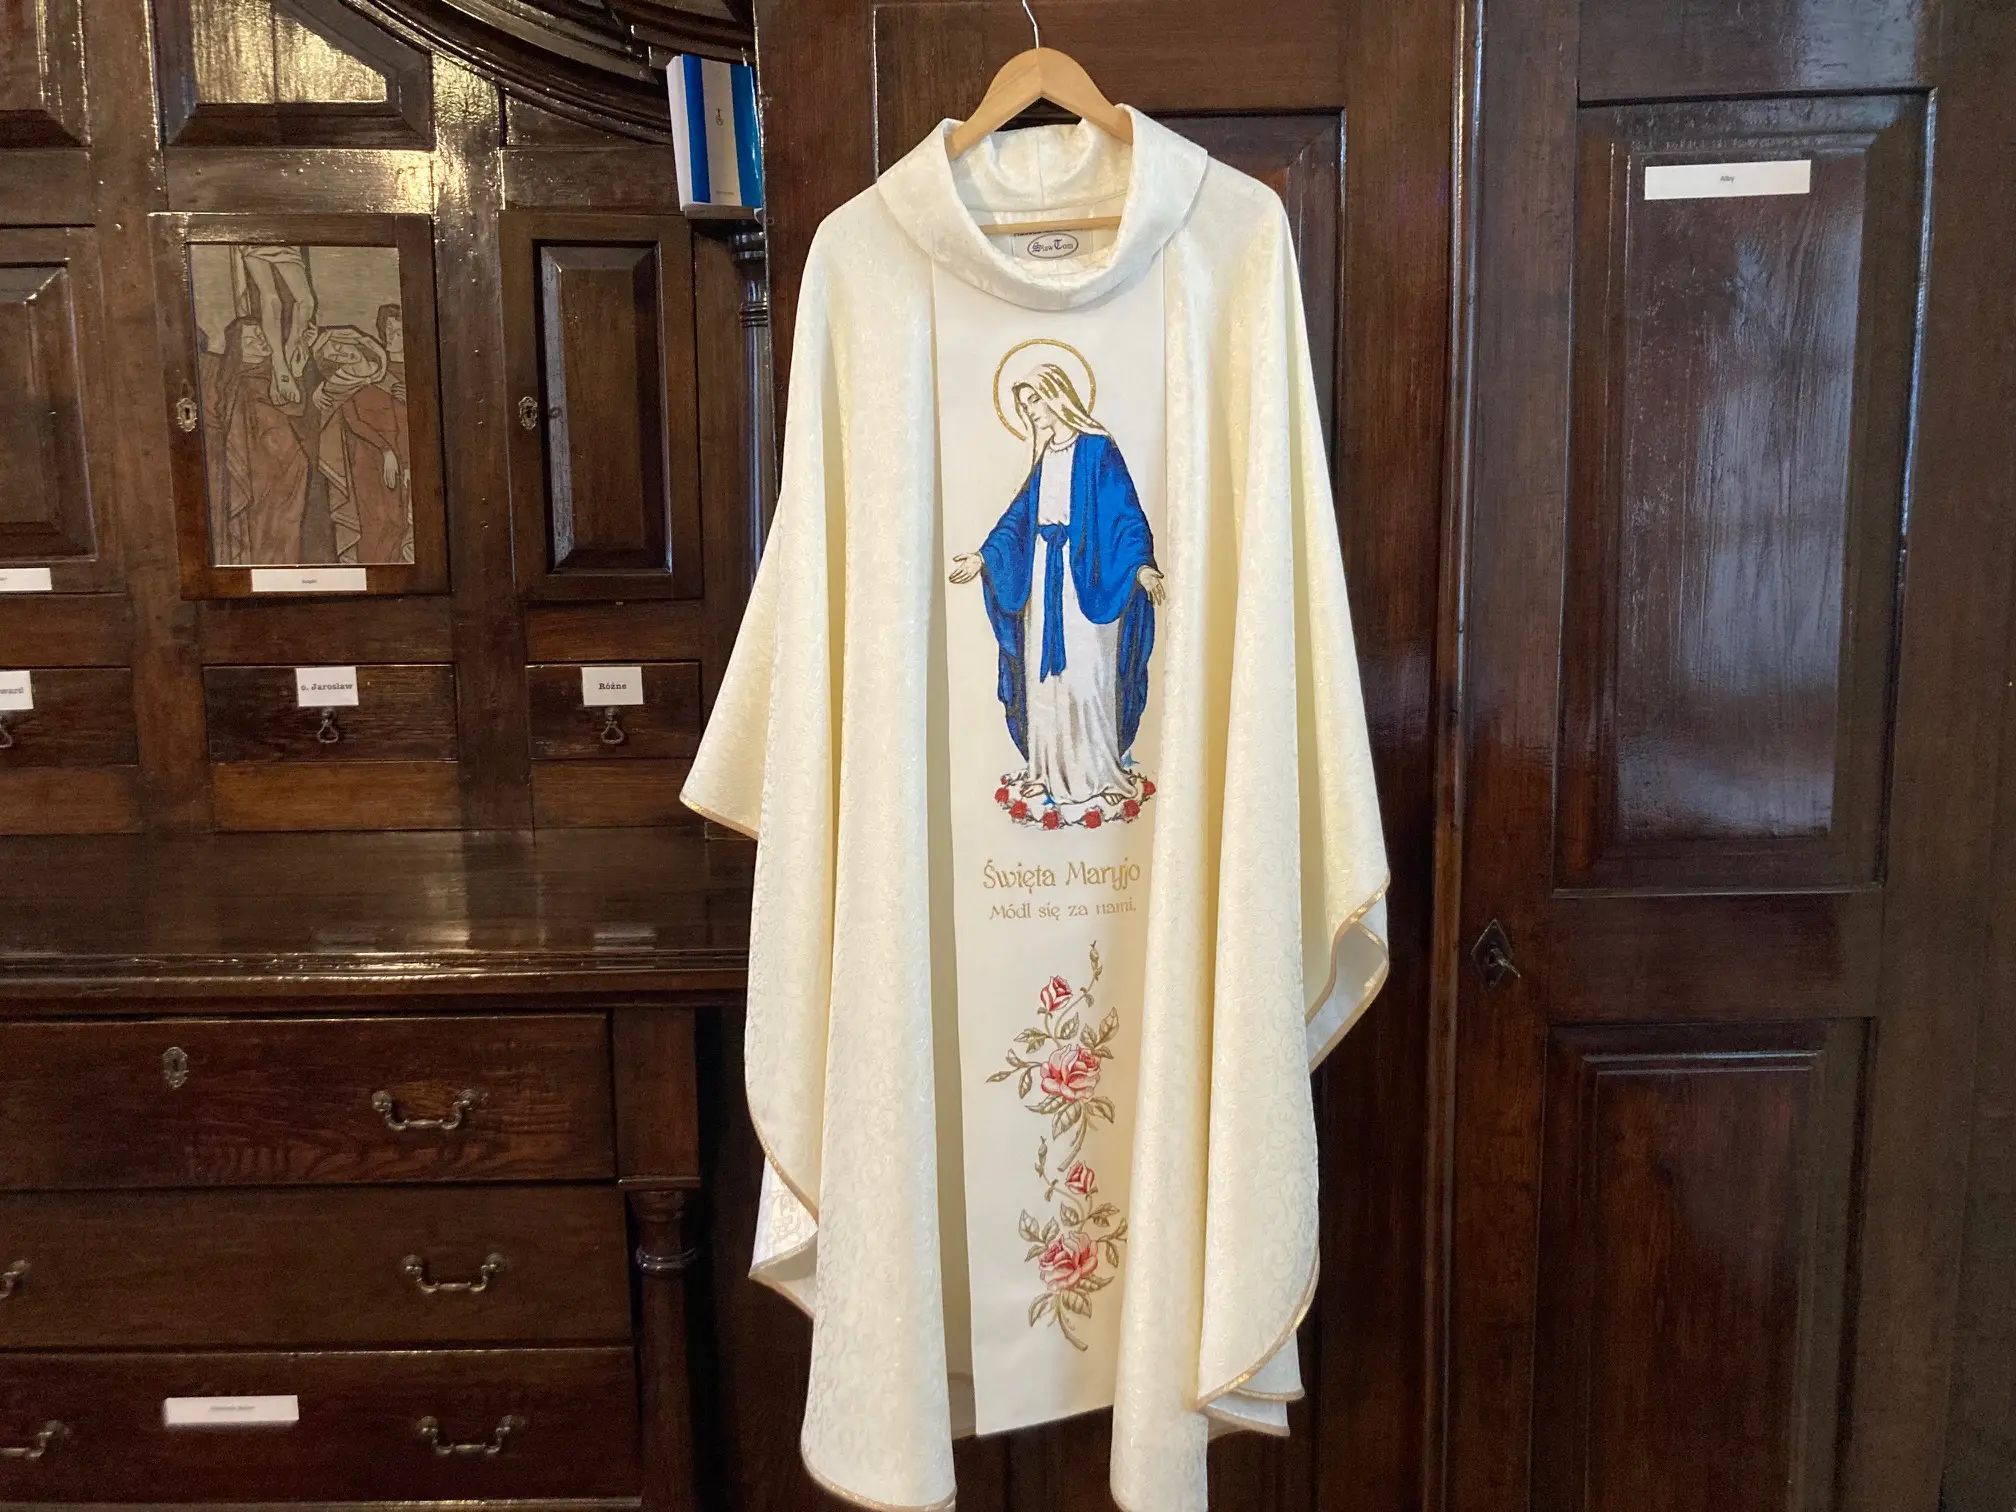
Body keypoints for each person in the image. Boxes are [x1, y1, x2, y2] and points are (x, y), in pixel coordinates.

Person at [949, 363, 1166, 826]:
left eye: (1034, 400)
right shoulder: (1047, 453)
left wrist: (1140, 565)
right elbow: (1019, 518)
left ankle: (1100, 773)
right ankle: (1046, 771)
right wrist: (983, 557)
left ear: (1056, 395)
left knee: (1087, 676)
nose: (1029, 411)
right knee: (1044, 680)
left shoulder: (1098, 449)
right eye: (1023, 405)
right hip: (1043, 582)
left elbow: (1125, 513)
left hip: (1085, 579)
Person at [308, 326, 410, 564]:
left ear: (355, 341)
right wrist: (386, 452)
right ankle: (374, 571)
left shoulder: (389, 378)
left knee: (397, 521)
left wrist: (405, 463)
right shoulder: (336, 388)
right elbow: (354, 423)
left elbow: (403, 422)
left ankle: (392, 571)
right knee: (375, 521)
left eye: (340, 346)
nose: (342, 354)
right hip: (366, 461)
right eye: (335, 356)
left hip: (396, 457)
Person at [213, 315, 310, 564]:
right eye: (249, 341)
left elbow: (295, 409)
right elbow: (240, 437)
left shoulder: (274, 372)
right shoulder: (242, 383)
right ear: (239, 351)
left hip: (291, 466)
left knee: (288, 534)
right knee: (267, 532)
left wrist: (296, 373)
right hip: (265, 473)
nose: (259, 340)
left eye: (259, 333)